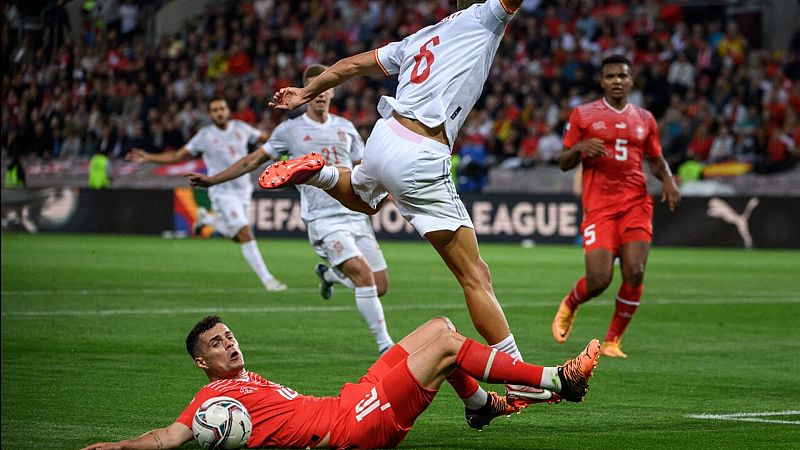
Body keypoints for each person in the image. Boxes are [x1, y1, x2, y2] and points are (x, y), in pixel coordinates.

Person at [257, 0, 551, 405]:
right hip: (422, 151)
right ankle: (519, 375)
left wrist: (306, 91)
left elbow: (347, 66)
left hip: (384, 136)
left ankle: (321, 173)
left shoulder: (415, 40)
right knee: (475, 276)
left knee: (364, 199)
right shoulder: (485, 15)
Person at [80, 314, 600, 450]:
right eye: (216, 344)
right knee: (444, 350)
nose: (230, 345)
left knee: (440, 327)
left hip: (348, 401)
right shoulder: (211, 402)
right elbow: (171, 436)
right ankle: (557, 379)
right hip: (352, 428)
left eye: (229, 336)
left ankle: (479, 406)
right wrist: (119, 445)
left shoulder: (244, 382)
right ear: (202, 364)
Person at [186, 65, 394, 354]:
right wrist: (213, 179)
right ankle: (386, 347)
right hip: (323, 218)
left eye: (324, 88)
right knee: (363, 276)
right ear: (307, 94)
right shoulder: (289, 130)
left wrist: (390, 191)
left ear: (331, 90)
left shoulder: (346, 128)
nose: (320, 94)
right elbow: (252, 161)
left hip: (356, 215)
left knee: (380, 285)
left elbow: (363, 167)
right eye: (314, 89)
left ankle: (331, 275)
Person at [552, 55, 681, 358]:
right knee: (599, 280)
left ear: (631, 80)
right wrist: (581, 148)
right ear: (602, 81)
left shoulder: (645, 119)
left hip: (636, 203)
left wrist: (669, 180)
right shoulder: (583, 115)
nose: (617, 81)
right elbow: (562, 162)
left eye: (622, 76)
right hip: (599, 207)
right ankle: (571, 303)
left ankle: (612, 341)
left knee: (635, 272)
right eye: (610, 76)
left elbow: (655, 158)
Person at [127, 98, 287, 292]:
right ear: (210, 115)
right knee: (245, 233)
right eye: (215, 110)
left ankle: (207, 220)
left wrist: (285, 142)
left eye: (222, 108)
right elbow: (178, 155)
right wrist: (149, 157)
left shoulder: (241, 128)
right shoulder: (204, 135)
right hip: (222, 191)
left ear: (228, 111)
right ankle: (268, 280)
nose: (219, 112)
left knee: (237, 237)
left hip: (243, 189)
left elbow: (266, 138)